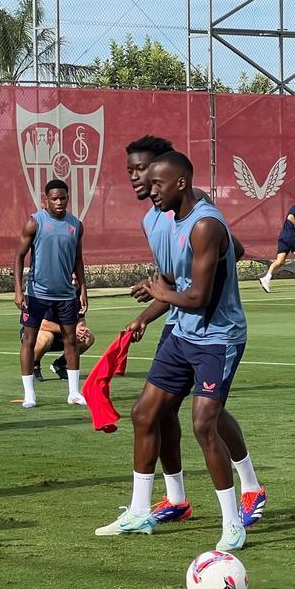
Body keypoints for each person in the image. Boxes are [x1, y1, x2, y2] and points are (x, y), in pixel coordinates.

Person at [95, 151, 250, 552]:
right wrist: (147, 313)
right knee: (144, 412)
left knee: (204, 424)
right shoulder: (169, 220)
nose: (151, 190)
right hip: (183, 334)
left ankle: (233, 524)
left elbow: (196, 295)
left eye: (158, 184)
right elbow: (175, 285)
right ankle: (140, 510)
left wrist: (162, 291)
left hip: (218, 338)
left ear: (180, 183)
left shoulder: (204, 225)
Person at [13, 179, 88, 409]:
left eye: (62, 198)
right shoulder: (35, 223)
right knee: (29, 340)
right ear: (46, 199)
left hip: (66, 295)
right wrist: (18, 290)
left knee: (71, 341)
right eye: (54, 198)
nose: (59, 202)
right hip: (37, 293)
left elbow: (78, 260)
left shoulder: (76, 225)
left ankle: (74, 393)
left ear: (67, 197)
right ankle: (29, 395)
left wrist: (83, 290)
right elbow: (18, 257)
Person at [259, 190, 295, 292]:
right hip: (291, 236)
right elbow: (290, 217)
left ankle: (266, 279)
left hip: (283, 237)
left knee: (280, 261)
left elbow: (291, 222)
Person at [23, 315, 95, 383]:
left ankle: (60, 364)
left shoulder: (77, 301)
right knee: (47, 337)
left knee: (88, 338)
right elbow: (42, 324)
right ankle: (34, 366)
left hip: (64, 333)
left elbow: (81, 319)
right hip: (37, 333)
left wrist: (80, 328)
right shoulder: (49, 302)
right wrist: (71, 330)